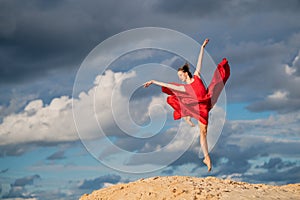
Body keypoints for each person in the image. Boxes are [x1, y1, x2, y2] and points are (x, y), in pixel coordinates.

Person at [143, 38, 230, 172]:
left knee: (205, 129)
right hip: (199, 109)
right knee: (203, 132)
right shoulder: (184, 88)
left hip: (206, 103)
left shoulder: (196, 76)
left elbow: (199, 63)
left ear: (185, 73)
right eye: (178, 76)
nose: (179, 78)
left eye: (180, 75)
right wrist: (154, 81)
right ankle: (207, 157)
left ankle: (188, 116)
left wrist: (202, 48)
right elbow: (169, 85)